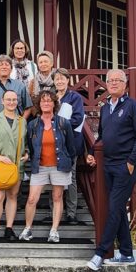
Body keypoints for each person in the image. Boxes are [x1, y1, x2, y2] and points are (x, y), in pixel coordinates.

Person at [86, 69, 136, 271]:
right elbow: (101, 136)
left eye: (117, 80)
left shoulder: (133, 106)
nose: (112, 83)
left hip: (125, 166)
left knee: (114, 207)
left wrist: (131, 161)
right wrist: (91, 152)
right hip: (108, 165)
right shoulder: (105, 109)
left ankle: (100, 252)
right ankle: (127, 254)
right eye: (109, 80)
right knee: (119, 208)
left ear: (125, 84)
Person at [20, 90, 78, 243]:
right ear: (39, 104)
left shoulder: (63, 123)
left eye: (49, 100)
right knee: (32, 199)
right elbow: (32, 148)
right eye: (43, 101)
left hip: (59, 166)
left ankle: (54, 230)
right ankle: (27, 228)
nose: (46, 103)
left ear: (54, 104)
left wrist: (69, 163)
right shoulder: (33, 124)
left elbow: (71, 147)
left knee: (57, 197)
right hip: (40, 166)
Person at [0, 90, 27, 243]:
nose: (11, 102)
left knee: (12, 196)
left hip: (16, 166)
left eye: (14, 100)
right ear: (2, 101)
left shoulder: (22, 121)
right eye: (8, 99)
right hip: (0, 165)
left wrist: (26, 153)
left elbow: (25, 142)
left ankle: (9, 228)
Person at [53, 68, 85, 225]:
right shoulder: (51, 97)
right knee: (53, 176)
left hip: (70, 142)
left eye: (62, 78)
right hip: (52, 143)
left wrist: (59, 125)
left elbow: (78, 119)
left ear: (68, 80)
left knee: (70, 177)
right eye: (57, 79)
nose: (59, 81)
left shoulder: (75, 97)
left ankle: (71, 213)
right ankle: (55, 212)